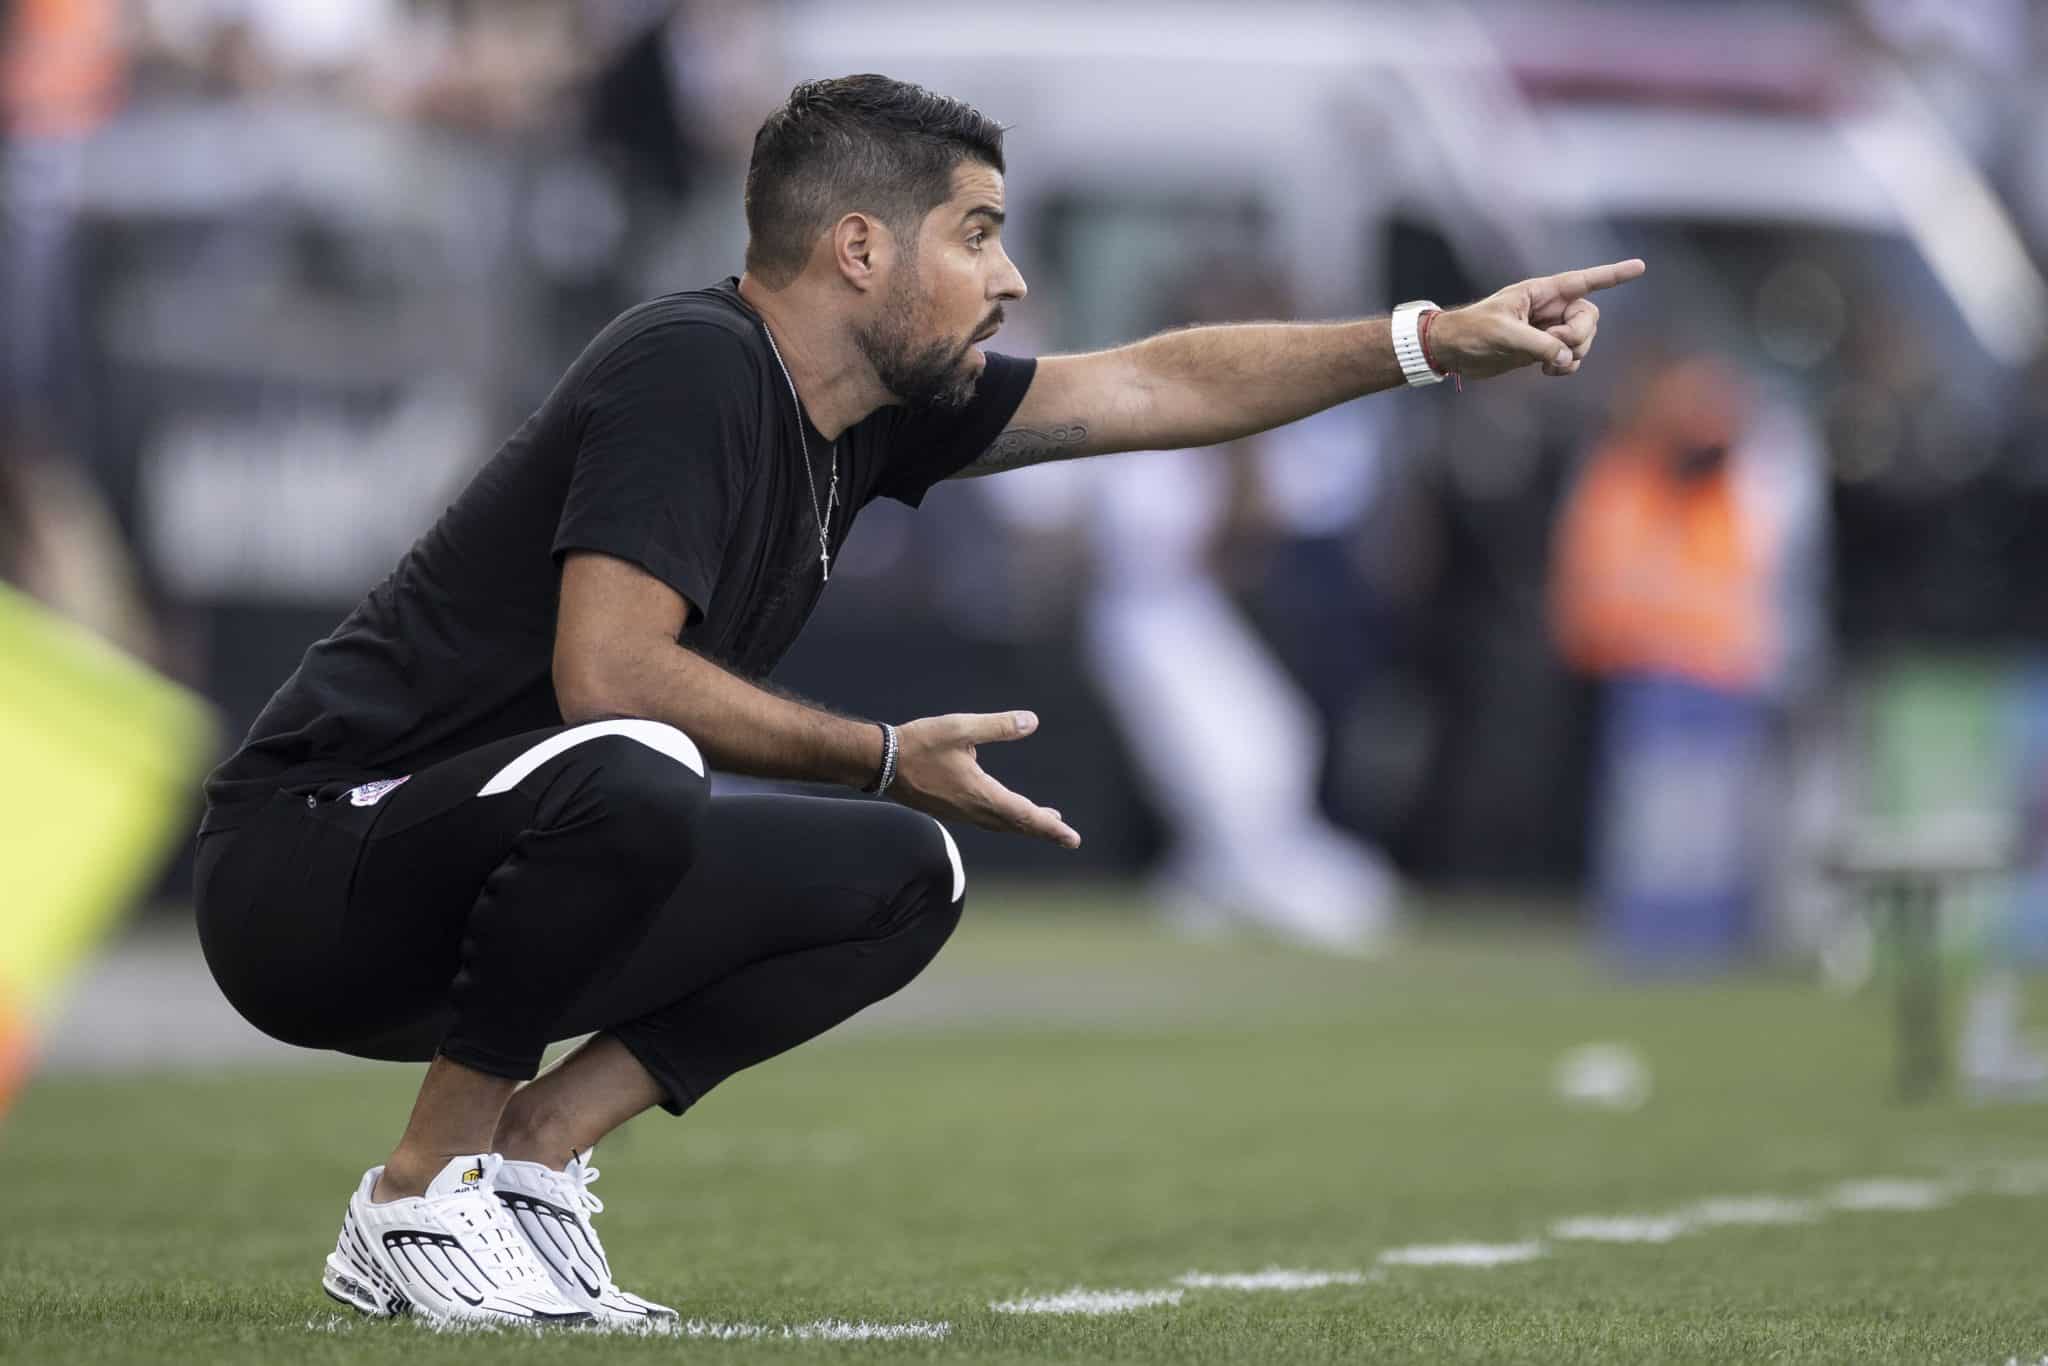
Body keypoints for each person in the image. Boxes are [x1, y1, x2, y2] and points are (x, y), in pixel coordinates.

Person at [193, 72, 1643, 1328]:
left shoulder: (876, 415)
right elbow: (610, 674)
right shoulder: (690, 363)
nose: (1008, 277)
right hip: (314, 865)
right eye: (980, 233)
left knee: (906, 874)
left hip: (498, 870)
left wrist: (1429, 341)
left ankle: (527, 1154)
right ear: (860, 246)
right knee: (638, 753)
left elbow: (1149, 388)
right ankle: (415, 1192)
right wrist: (880, 751)